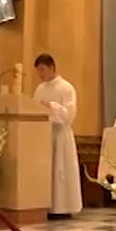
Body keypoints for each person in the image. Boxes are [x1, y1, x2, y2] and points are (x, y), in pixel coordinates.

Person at [33, 54, 83, 218]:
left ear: (52, 67)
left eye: (42, 70)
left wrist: (52, 106)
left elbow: (69, 114)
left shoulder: (66, 88)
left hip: (60, 135)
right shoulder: (40, 89)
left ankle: (62, 207)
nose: (40, 74)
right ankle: (45, 205)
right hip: (43, 135)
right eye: (38, 71)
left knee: (60, 170)